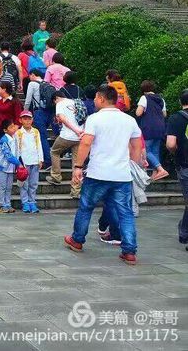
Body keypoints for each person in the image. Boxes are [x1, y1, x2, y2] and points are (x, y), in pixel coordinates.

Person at [65, 84, 142, 265]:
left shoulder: (95, 119)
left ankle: (77, 240)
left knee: (86, 207)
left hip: (98, 173)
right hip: (122, 175)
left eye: (95, 98)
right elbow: (137, 145)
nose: (94, 101)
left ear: (101, 98)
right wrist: (132, 163)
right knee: (126, 213)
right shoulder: (129, 120)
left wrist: (78, 166)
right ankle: (129, 251)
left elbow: (86, 143)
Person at [46, 90, 84, 197]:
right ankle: (75, 191)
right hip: (80, 136)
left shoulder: (60, 103)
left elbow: (62, 119)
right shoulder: (75, 102)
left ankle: (56, 177)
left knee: (54, 152)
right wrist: (80, 131)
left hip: (67, 135)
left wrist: (75, 130)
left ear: (56, 98)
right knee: (76, 163)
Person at [165, 89, 188, 251]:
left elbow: (171, 144)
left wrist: (175, 152)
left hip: (185, 163)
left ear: (181, 102)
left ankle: (185, 232)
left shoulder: (176, 118)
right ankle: (184, 232)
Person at [137, 80, 169, 181]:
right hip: (160, 128)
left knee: (146, 150)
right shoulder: (161, 99)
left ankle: (160, 169)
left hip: (148, 127)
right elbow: (164, 114)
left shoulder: (144, 98)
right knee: (155, 151)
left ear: (143, 90)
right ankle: (156, 173)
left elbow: (138, 113)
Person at [15, 110, 44, 213]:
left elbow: (39, 145)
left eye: (29, 119)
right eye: (25, 119)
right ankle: (25, 202)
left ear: (32, 120)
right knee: (24, 183)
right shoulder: (18, 133)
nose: (27, 121)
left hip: (34, 160)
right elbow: (17, 148)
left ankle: (32, 201)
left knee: (33, 183)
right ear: (20, 120)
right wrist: (18, 163)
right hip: (24, 162)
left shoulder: (35, 132)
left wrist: (40, 159)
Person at [25, 69, 54, 168]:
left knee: (42, 136)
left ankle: (47, 161)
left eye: (30, 76)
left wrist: (25, 112)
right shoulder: (47, 84)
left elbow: (28, 100)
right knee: (43, 135)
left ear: (33, 75)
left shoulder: (32, 84)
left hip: (39, 112)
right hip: (49, 112)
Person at [0, 81, 22, 158]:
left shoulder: (14, 101)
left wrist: (15, 129)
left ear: (4, 89)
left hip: (9, 129)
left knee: (10, 150)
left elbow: (18, 116)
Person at [0, 119, 21, 213]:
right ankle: (2, 205)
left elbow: (17, 152)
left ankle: (8, 203)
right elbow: (8, 155)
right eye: (11, 127)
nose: (13, 128)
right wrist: (18, 163)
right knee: (2, 187)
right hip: (2, 167)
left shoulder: (15, 138)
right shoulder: (4, 140)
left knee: (9, 187)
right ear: (5, 130)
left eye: (14, 126)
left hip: (11, 167)